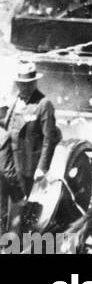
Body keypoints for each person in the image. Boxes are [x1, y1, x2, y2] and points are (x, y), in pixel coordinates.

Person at [2, 62, 59, 207]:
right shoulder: (15, 101)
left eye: (29, 84)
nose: (25, 87)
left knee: (19, 206)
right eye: (21, 84)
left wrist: (42, 167)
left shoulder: (43, 104)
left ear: (35, 83)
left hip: (27, 165)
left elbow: (49, 138)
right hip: (9, 162)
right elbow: (8, 126)